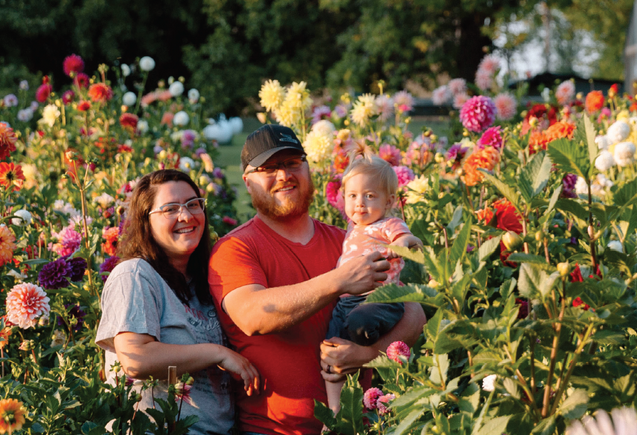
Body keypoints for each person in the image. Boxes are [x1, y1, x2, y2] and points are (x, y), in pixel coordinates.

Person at [209, 124, 426, 435]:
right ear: (247, 181)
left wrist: (366, 354)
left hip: (356, 425)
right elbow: (253, 315)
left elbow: (413, 313)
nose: (283, 175)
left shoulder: (350, 241)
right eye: (269, 168)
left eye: (292, 162)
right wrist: (340, 280)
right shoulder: (236, 248)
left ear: (308, 168)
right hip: (273, 430)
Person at [96, 169, 263, 434]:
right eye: (170, 209)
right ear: (145, 220)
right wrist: (217, 353)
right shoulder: (136, 275)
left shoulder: (204, 278)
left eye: (193, 204)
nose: (186, 216)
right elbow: (135, 357)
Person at [323, 155, 423, 411]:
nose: (359, 203)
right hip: (346, 303)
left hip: (380, 299)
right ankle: (336, 412)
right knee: (329, 350)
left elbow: (411, 239)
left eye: (369, 195)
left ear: (389, 201)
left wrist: (401, 243)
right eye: (353, 195)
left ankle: (371, 347)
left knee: (359, 324)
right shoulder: (352, 227)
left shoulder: (388, 224)